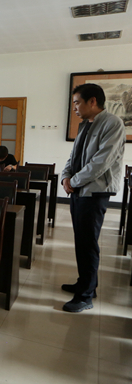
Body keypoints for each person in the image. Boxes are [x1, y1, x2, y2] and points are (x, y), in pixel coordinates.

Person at [61, 83, 125, 313]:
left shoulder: (112, 124)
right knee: (81, 240)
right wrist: (65, 177)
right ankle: (86, 283)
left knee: (88, 243)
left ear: (93, 101)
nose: (75, 108)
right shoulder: (86, 125)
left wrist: (74, 181)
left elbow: (101, 162)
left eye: (77, 102)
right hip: (79, 190)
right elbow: (73, 156)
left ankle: (85, 296)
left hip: (95, 192)